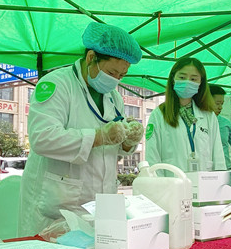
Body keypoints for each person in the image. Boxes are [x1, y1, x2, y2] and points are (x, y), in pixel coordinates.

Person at [19, 22, 144, 237]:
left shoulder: (113, 97)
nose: (116, 80)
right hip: (57, 205)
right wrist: (99, 136)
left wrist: (127, 141)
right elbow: (42, 138)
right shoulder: (57, 84)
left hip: (99, 204)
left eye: (121, 76)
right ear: (91, 58)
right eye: (112, 72)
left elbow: (110, 149)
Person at [145, 57, 226, 172]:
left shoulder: (208, 115)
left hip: (204, 184)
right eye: (182, 77)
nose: (187, 82)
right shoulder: (159, 114)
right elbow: (152, 157)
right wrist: (160, 187)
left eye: (193, 79)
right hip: (172, 185)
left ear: (200, 83)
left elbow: (218, 156)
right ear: (173, 79)